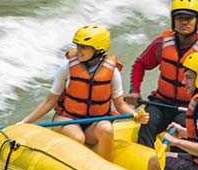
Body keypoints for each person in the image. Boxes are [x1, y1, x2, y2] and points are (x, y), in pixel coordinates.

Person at [19, 24, 146, 162]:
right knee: (78, 138)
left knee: (107, 130)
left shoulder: (112, 72)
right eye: (78, 46)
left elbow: (120, 104)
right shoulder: (67, 68)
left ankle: (104, 168)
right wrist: (25, 122)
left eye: (84, 47)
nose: (78, 50)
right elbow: (49, 101)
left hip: (94, 122)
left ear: (98, 50)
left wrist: (134, 115)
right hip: (67, 118)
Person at [128, 0, 198, 145]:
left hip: (191, 105)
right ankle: (144, 162)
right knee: (147, 125)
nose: (184, 22)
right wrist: (134, 90)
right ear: (173, 21)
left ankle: (174, 164)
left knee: (184, 132)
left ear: (197, 21)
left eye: (189, 18)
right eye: (179, 18)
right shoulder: (161, 43)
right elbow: (140, 64)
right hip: (161, 102)